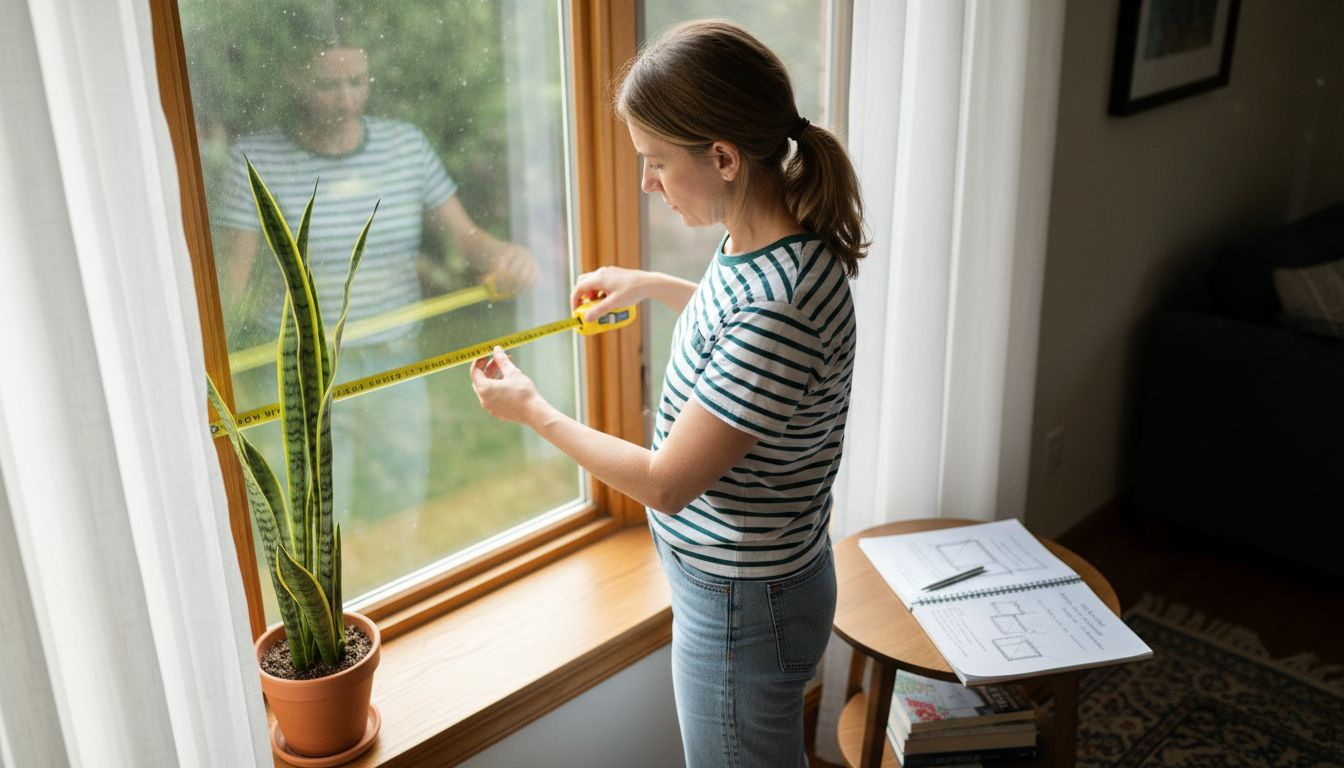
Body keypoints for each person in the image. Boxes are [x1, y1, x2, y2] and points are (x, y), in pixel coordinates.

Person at [470, 19, 867, 767]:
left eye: (654, 163)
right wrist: (649, 285)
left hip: (745, 607)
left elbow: (666, 483)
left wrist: (533, 411)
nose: (646, 183)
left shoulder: (779, 298)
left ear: (722, 157)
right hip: (751, 590)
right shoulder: (772, 247)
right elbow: (742, 344)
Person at [217, 37, 538, 519]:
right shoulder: (253, 160)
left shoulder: (404, 144)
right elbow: (230, 293)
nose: (346, 100)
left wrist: (506, 256)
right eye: (328, 84)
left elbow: (468, 239)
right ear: (295, 80)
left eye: (357, 82)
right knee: (319, 525)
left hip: (397, 364)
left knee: (402, 509)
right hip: (301, 376)